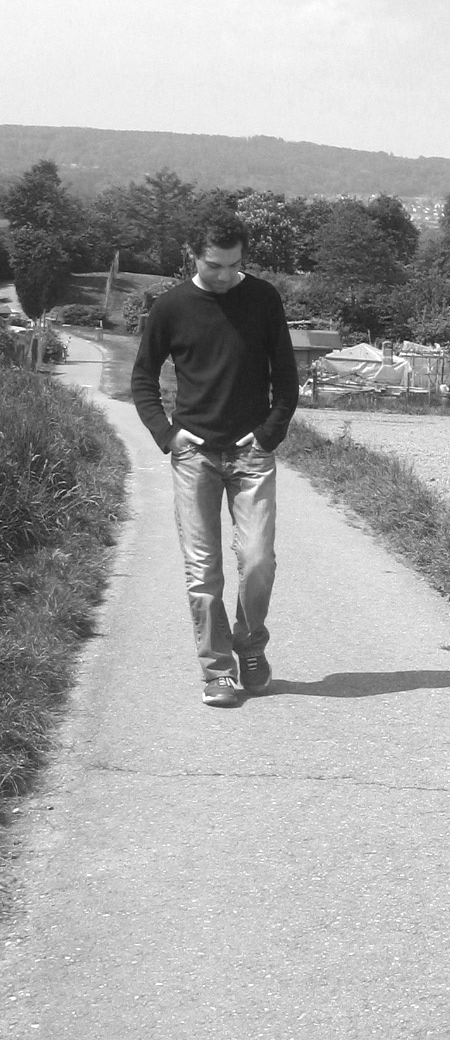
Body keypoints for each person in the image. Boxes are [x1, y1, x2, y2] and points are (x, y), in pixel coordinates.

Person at [131, 202, 299, 707]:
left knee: (258, 561)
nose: (225, 275)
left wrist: (269, 435)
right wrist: (167, 434)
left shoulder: (263, 299)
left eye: (233, 264)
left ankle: (249, 645)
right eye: (213, 265)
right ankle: (217, 670)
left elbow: (286, 379)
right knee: (203, 573)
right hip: (195, 457)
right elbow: (142, 378)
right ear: (192, 257)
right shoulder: (171, 308)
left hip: (251, 454)